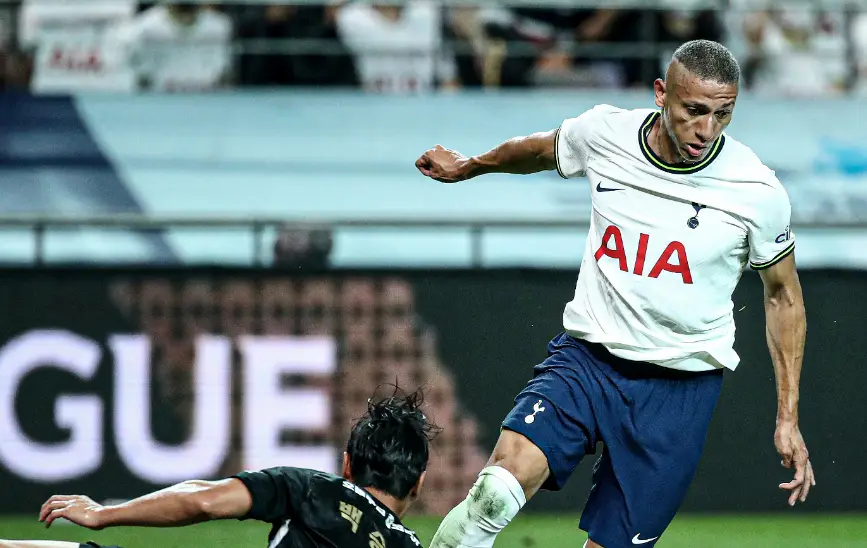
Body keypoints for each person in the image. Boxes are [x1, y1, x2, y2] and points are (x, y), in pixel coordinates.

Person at [415, 39, 813, 548]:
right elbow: (541, 149)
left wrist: (787, 417)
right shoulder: (605, 133)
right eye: (693, 111)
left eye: (723, 114)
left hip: (679, 389)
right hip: (588, 361)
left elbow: (784, 296)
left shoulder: (756, 191)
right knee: (492, 495)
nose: (706, 130)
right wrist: (472, 166)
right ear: (661, 94)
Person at [0, 387, 439, 548]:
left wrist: (103, 514)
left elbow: (206, 501)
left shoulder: (311, 489)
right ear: (417, 483)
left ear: (347, 463)